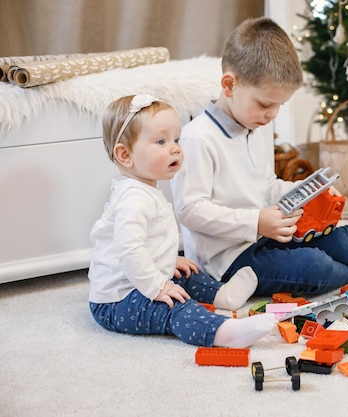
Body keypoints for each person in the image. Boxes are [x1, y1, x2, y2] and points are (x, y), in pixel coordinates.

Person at [171, 17, 348, 298]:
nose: (273, 114)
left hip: (267, 234)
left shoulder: (256, 126)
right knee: (312, 267)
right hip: (227, 261)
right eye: (265, 104)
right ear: (229, 85)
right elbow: (189, 211)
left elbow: (267, 186)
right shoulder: (197, 139)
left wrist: (307, 193)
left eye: (280, 105)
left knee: (342, 241)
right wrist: (255, 222)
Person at [88, 94, 276, 348]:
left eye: (176, 139)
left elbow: (144, 244)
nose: (175, 148)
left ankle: (223, 295)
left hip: (137, 279)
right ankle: (223, 332)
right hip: (117, 300)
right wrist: (157, 287)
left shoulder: (144, 190)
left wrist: (166, 259)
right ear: (125, 155)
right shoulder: (134, 199)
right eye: (161, 141)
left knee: (186, 273)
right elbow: (129, 250)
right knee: (174, 306)